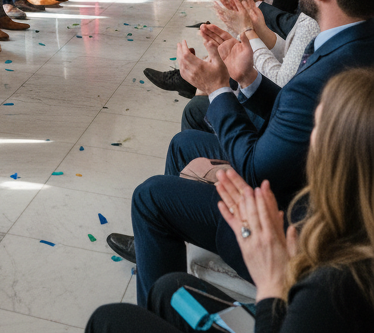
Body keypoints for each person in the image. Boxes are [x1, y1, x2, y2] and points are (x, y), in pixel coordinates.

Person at [110, 0, 374, 305]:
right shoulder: (354, 37)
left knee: (150, 196)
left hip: (292, 224)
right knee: (184, 143)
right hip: (304, 180)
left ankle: (162, 300)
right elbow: (292, 112)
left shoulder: (329, 68)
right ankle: (160, 244)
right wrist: (247, 78)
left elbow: (255, 169)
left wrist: (218, 88)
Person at [86, 66, 374, 333]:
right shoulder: (351, 227)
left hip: (278, 294)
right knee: (169, 288)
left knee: (107, 319)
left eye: (316, 132)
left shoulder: (334, 287)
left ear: (339, 161)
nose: (307, 141)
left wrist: (271, 282)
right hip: (291, 224)